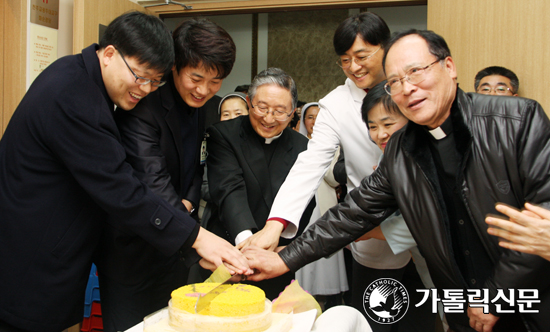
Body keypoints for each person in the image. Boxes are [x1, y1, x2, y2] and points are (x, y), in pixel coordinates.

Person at [243, 29, 550, 332]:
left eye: (416, 72)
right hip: (462, 305)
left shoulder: (517, 121)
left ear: (449, 67)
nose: (407, 88)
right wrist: (285, 259)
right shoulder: (402, 148)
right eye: (395, 82)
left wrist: (496, 297)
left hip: (528, 300)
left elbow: (541, 224)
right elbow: (354, 213)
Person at [0, 12, 250, 332]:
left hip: (60, 254)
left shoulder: (81, 78)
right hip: (33, 259)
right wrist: (196, 237)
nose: (145, 88)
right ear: (108, 54)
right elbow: (121, 186)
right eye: (140, 76)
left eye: (155, 80)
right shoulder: (72, 94)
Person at [237, 12, 419, 331]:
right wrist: (274, 226)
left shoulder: (413, 89)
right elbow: (310, 164)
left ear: (386, 48)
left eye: (362, 56)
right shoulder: (336, 103)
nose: (353, 66)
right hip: (373, 228)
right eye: (344, 59)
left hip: (428, 221)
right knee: (378, 317)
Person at [94, 18, 237, 332]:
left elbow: (197, 165)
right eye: (196, 78)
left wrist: (188, 203)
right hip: (131, 254)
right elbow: (151, 178)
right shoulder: (144, 104)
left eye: (215, 81)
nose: (204, 90)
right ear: (175, 67)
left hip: (173, 249)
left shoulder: (202, 105)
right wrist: (196, 240)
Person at [206, 68, 314, 299]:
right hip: (230, 248)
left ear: (293, 112)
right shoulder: (224, 134)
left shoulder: (302, 146)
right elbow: (228, 189)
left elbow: (305, 200)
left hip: (276, 253)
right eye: (262, 108)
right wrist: (248, 245)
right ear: (249, 101)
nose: (268, 118)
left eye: (279, 111)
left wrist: (280, 246)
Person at [295, 102, 349, 307]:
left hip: (325, 207)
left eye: (319, 116)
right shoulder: (295, 144)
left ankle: (329, 300)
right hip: (301, 209)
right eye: (310, 117)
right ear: (303, 120)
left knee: (325, 252)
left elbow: (333, 179)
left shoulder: (335, 146)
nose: (314, 121)